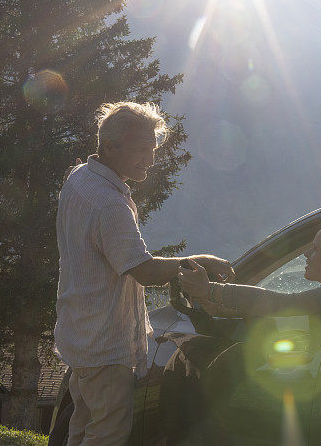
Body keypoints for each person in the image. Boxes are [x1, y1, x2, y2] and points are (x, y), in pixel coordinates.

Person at [54, 101, 234, 446]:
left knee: (82, 425)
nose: (150, 160)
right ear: (109, 147)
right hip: (104, 342)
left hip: (79, 331)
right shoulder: (109, 204)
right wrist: (202, 261)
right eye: (140, 150)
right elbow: (145, 270)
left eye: (152, 149)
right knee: (108, 432)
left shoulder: (79, 178)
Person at [178, 216, 321, 317]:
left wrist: (211, 290)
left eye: (315, 249)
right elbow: (273, 312)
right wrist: (224, 311)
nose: (305, 254)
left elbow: (287, 305)